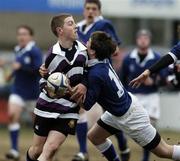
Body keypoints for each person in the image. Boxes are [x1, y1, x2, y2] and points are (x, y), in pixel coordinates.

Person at [74, 31, 180, 161]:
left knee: (164, 151)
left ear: (93, 52)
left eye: (88, 42)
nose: (85, 43)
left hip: (131, 116)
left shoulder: (96, 74)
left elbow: (87, 105)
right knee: (94, 137)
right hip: (117, 112)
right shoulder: (103, 60)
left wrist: (69, 91)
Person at [26, 14, 88, 161]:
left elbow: (90, 72)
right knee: (36, 151)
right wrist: (50, 88)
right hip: (46, 107)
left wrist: (84, 84)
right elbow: (43, 80)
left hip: (69, 109)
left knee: (51, 148)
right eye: (71, 23)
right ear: (60, 30)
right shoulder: (52, 55)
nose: (76, 26)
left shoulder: (84, 51)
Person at [73, 0, 129, 160]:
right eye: (88, 8)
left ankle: (122, 142)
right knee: (82, 109)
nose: (90, 11)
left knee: (110, 114)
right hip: (85, 75)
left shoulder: (104, 24)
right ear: (84, 10)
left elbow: (116, 49)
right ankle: (83, 151)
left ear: (99, 10)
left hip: (102, 76)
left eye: (94, 8)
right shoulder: (78, 27)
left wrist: (101, 51)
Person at [120, 29, 168, 161]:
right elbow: (122, 78)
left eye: (145, 38)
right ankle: (123, 147)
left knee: (149, 128)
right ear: (136, 40)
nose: (143, 40)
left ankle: (145, 158)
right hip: (133, 96)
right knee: (122, 125)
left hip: (151, 96)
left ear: (149, 40)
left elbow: (164, 78)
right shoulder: (128, 58)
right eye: (140, 38)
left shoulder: (157, 58)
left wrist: (154, 81)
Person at [0, 25, 43, 160]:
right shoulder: (18, 49)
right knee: (12, 116)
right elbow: (16, 66)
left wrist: (22, 67)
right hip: (18, 90)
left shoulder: (35, 51)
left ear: (30, 36)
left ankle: (42, 151)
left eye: (24, 34)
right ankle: (14, 150)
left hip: (33, 93)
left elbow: (38, 70)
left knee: (38, 125)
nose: (21, 36)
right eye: (19, 34)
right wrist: (11, 74)